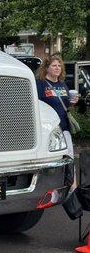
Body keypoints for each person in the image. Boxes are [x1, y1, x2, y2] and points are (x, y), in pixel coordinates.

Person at [36, 55, 79, 190]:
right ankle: (49, 187)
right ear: (47, 68)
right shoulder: (40, 84)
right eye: (54, 65)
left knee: (69, 156)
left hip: (64, 127)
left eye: (59, 66)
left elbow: (65, 105)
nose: (57, 68)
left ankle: (73, 187)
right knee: (51, 159)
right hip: (48, 129)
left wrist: (71, 103)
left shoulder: (63, 84)